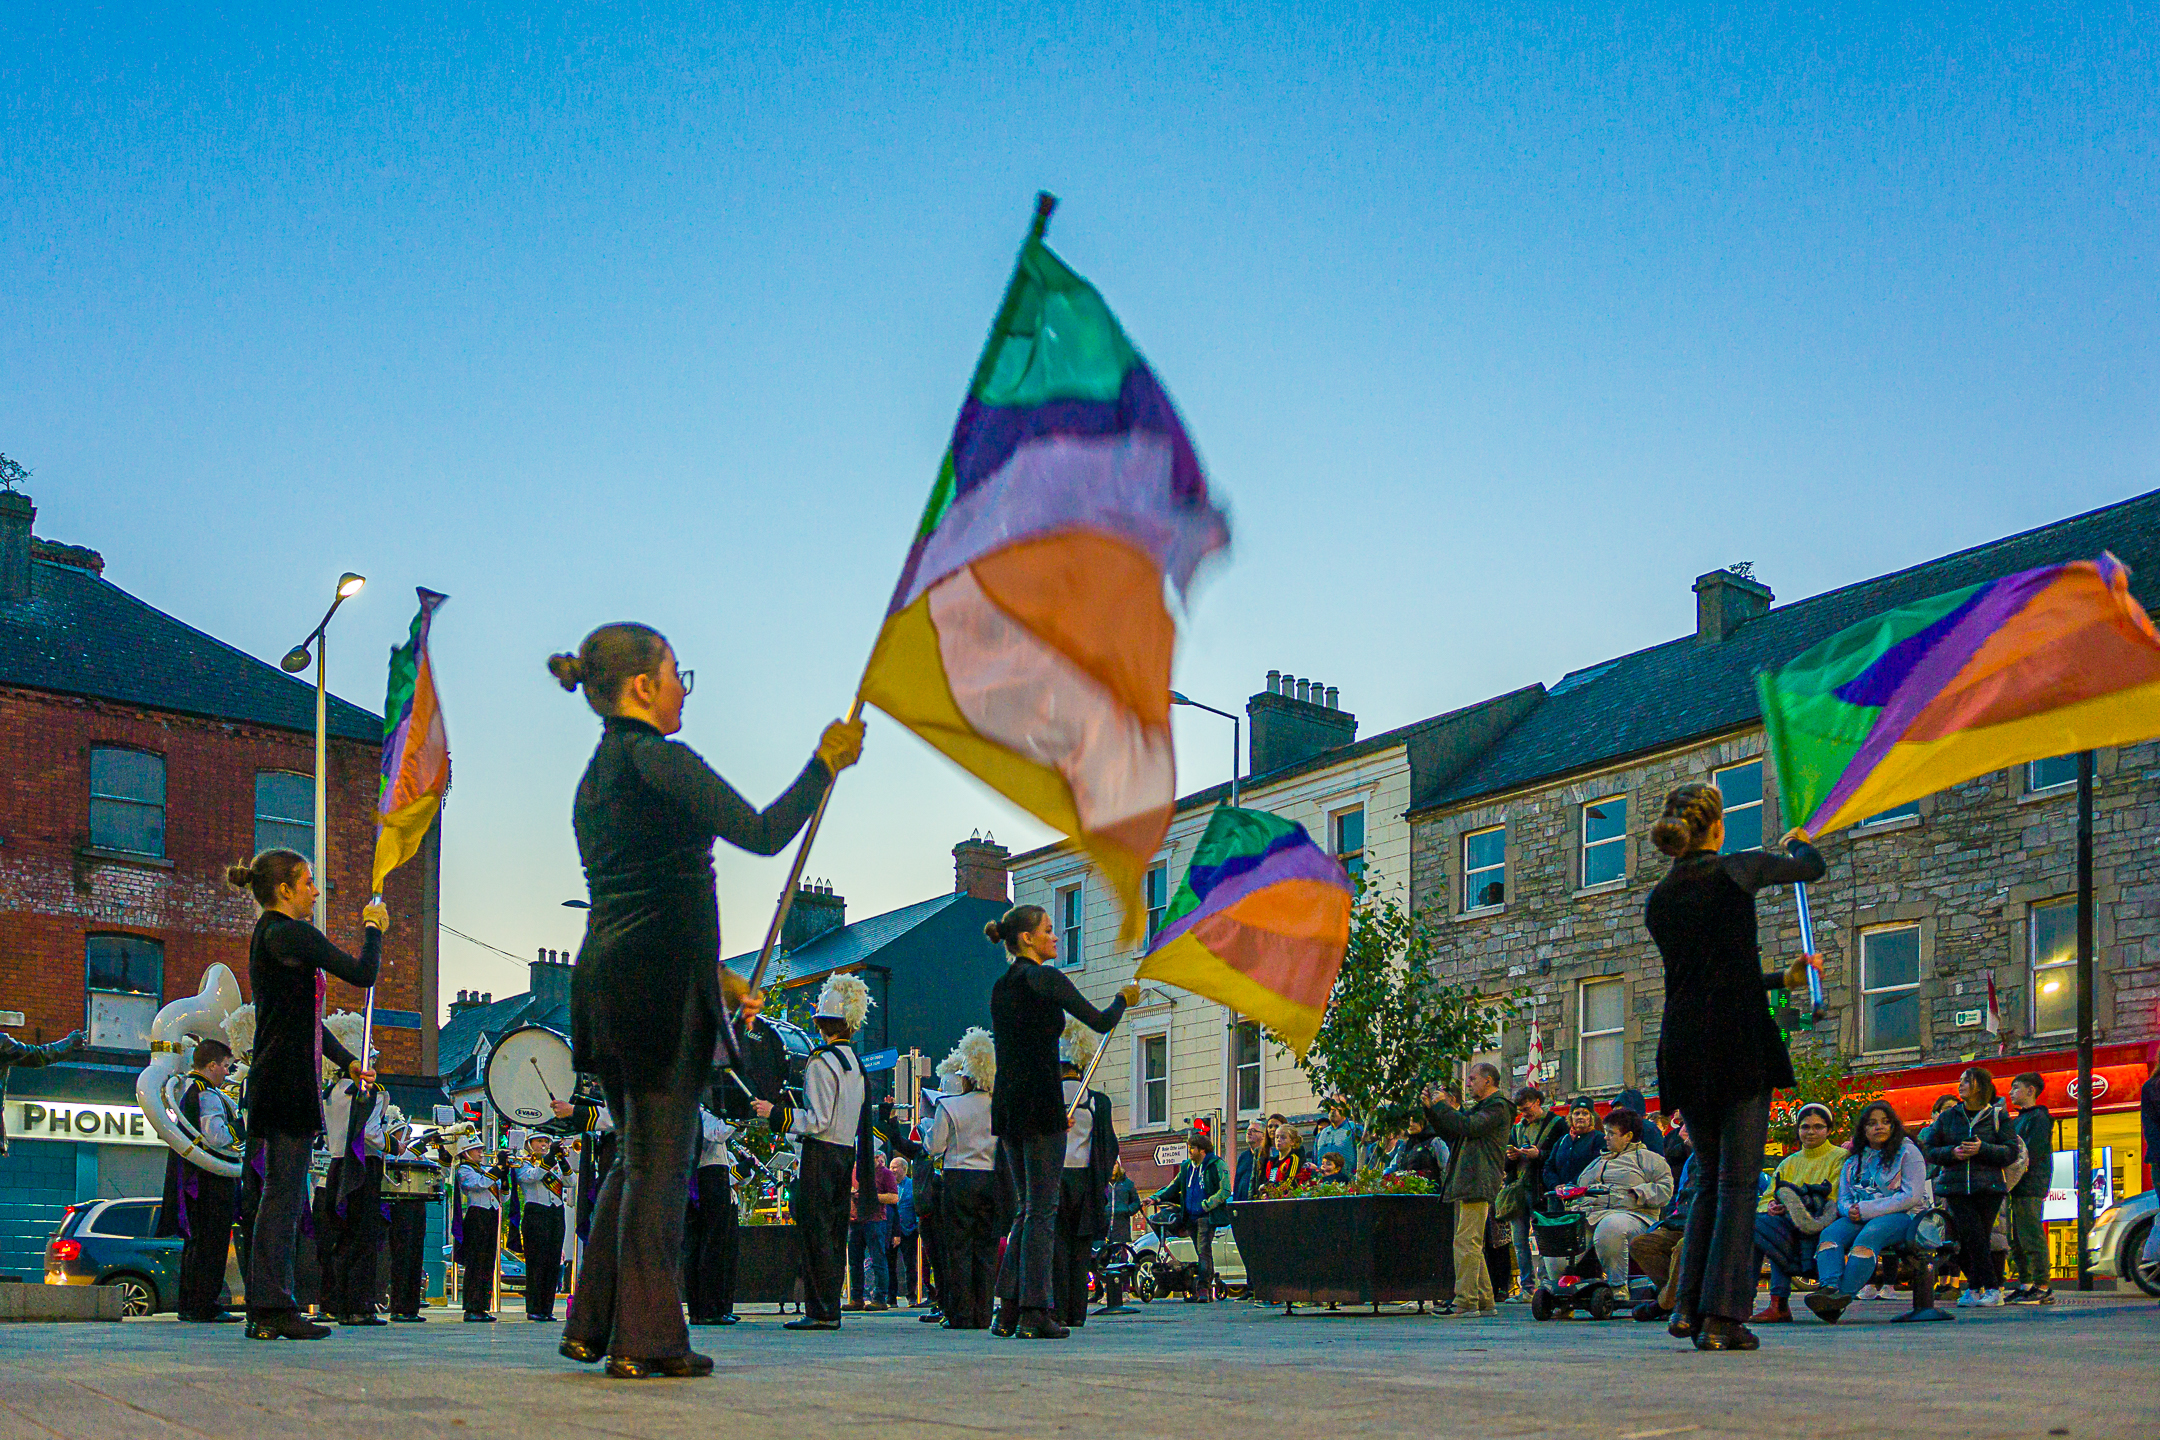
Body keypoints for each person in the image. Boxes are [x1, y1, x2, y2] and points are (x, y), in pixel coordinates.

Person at [551, 623, 861, 1377]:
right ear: (643, 686)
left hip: (610, 977)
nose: (683, 691)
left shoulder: (596, 777)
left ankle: (593, 1322)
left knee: (637, 1156)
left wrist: (716, 976)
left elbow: (648, 892)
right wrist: (824, 764)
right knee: (663, 1162)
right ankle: (646, 1338)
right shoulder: (659, 758)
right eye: (676, 675)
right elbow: (762, 831)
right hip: (657, 989)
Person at [1643, 782, 1823, 1351]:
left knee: (1709, 1181)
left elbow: (1708, 976)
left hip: (1684, 1042)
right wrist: (1800, 837)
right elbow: (1810, 868)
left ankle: (1687, 1306)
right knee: (1740, 1184)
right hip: (1736, 1040)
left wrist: (1780, 979)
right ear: (1717, 827)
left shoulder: (1660, 897)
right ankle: (1723, 1317)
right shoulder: (1737, 869)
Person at [228, 849, 384, 1342]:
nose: (316, 891)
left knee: (280, 1195)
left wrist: (348, 1061)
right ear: (285, 890)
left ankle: (268, 1306)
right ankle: (272, 1307)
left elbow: (304, 1019)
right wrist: (374, 929)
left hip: (278, 1076)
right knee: (283, 1197)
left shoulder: (270, 934)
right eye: (308, 882)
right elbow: (363, 974)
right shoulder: (291, 932)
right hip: (287, 1081)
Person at [982, 903, 1136, 1341]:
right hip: (1040, 1104)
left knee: (1026, 1209)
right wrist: (1124, 999)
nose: (1054, 937)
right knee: (1042, 1211)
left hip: (1008, 1106)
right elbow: (1100, 1021)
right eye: (1048, 930)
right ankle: (1034, 1311)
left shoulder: (1001, 986)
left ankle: (1007, 1310)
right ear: (1027, 938)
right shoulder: (1045, 978)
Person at [756, 973, 877, 1331]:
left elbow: (817, 1120)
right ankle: (830, 1308)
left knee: (816, 1234)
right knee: (835, 1235)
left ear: (822, 1023)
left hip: (821, 1155)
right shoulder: (855, 1063)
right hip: (845, 1154)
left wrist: (775, 1113)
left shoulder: (822, 1061)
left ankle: (820, 1310)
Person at [1804, 1101, 1930, 1322]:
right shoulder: (1853, 1160)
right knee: (1830, 1234)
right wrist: (1849, 1210)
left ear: (1893, 1126)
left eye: (1885, 1122)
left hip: (1906, 1216)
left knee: (1870, 1234)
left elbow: (1911, 1196)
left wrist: (1864, 1209)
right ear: (1863, 1129)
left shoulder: (1908, 1152)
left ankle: (1843, 1296)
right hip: (1860, 1216)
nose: (1878, 1127)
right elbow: (1844, 1197)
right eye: (1872, 1123)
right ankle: (1829, 1289)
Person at [155, 1037, 243, 1323]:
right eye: (226, 1066)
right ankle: (205, 1304)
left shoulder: (186, 1087)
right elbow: (216, 1136)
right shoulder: (206, 1093)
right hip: (211, 1179)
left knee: (197, 1244)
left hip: (196, 1178)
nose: (227, 1073)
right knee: (212, 1243)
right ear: (212, 1065)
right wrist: (241, 1126)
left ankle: (191, 1304)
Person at [1423, 1062, 1513, 1319]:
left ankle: (1465, 1301)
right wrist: (1432, 1110)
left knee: (1466, 1242)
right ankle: (1484, 1299)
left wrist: (1443, 1106)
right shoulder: (1482, 1108)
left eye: (1473, 1078)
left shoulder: (1498, 1107)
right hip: (1468, 1181)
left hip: (1478, 1180)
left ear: (1488, 1081)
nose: (1468, 1083)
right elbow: (1453, 1133)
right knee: (1470, 1242)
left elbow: (1468, 1127)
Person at [1922, 1065, 2016, 1307]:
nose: (1960, 1085)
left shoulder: (1997, 1116)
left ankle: (1979, 1288)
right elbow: (1929, 1148)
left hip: (1988, 1187)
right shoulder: (1948, 1117)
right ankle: (1988, 1287)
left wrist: (1982, 1149)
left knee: (1979, 1237)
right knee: (1971, 1236)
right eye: (1961, 1080)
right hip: (1956, 1187)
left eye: (1966, 1081)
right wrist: (1952, 1153)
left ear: (1980, 1086)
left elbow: (2010, 1152)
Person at [1564, 1108, 1673, 1303]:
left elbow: (1666, 1189)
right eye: (1605, 1132)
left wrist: (1639, 1192)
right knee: (1561, 1234)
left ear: (1628, 1136)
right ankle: (1559, 1290)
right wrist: (1571, 1193)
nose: (1605, 1137)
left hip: (1635, 1216)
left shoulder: (1650, 1159)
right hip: (1592, 1215)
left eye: (1611, 1133)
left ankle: (1618, 1287)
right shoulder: (1598, 1161)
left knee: (1610, 1227)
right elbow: (1580, 1185)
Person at [927, 1029, 999, 1329]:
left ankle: (961, 1313)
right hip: (991, 1179)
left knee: (958, 1248)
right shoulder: (999, 1105)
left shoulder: (949, 1105)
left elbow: (934, 1146)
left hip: (958, 1178)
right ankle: (984, 1312)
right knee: (986, 1249)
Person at [1748, 1102, 1844, 1324]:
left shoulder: (1840, 1157)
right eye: (1805, 1127)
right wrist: (1771, 1206)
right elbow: (1768, 1197)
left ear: (1829, 1130)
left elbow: (1833, 1198)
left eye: (1818, 1127)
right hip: (1786, 1221)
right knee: (1760, 1228)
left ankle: (1775, 1303)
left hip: (1822, 1222)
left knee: (1766, 1233)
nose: (1811, 1132)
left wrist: (1793, 1206)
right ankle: (1755, 1301)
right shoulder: (1788, 1162)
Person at [1056, 1027, 1119, 1328]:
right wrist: (1100, 1181)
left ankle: (1057, 1310)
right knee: (1081, 1251)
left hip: (1055, 1178)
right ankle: (1077, 1311)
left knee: (1057, 1248)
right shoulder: (1098, 1102)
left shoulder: (1048, 1098)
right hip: (1085, 1180)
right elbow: (1109, 1147)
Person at [318, 1064, 389, 1326]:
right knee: (364, 1237)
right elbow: (369, 1132)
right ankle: (361, 1307)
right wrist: (394, 1145)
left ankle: (343, 1306)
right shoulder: (370, 1090)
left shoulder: (330, 1091)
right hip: (362, 1163)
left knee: (344, 1238)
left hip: (337, 1163)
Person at [1148, 1131, 1231, 1302]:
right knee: (1202, 1252)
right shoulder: (1186, 1167)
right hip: (1190, 1215)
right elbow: (1174, 1186)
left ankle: (1203, 1289)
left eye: (1192, 1148)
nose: (1189, 1151)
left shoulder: (1216, 1164)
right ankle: (1204, 1287)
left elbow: (1225, 1190)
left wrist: (1207, 1204)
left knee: (1203, 1250)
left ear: (1202, 1150)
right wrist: (1155, 1198)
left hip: (1206, 1215)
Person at [1503, 1087, 1567, 1303]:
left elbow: (1560, 1157)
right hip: (1519, 1190)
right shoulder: (1517, 1128)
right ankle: (1527, 1288)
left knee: (1545, 1239)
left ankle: (1545, 1285)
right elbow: (1506, 1164)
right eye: (1521, 1110)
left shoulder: (1557, 1125)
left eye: (1527, 1109)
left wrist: (1539, 1155)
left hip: (1542, 1190)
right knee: (1519, 1241)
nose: (1524, 1114)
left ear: (1538, 1102)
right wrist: (1511, 1157)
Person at [1629, 1117, 1694, 1321]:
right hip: (1681, 1222)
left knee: (1683, 1247)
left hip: (1706, 1226)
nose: (1683, 1131)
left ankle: (1665, 1303)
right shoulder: (1692, 1161)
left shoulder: (1720, 1160)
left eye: (1688, 1127)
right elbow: (1679, 1195)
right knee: (1641, 1244)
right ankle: (1681, 1299)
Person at [2005, 1072, 2055, 1305]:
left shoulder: (2039, 1118)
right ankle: (2026, 1284)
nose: (2011, 1092)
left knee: (2031, 1234)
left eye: (2016, 1087)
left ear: (2030, 1090)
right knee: (2016, 1237)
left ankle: (2042, 1285)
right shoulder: (2019, 1119)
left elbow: (2031, 1152)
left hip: (2030, 1184)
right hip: (2016, 1184)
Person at [515, 1131, 571, 1323]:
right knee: (536, 1263)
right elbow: (532, 1177)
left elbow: (571, 1182)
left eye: (546, 1141)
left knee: (553, 1263)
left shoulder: (554, 1163)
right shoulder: (523, 1163)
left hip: (556, 1213)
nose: (544, 1145)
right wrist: (550, 1158)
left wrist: (562, 1161)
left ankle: (547, 1308)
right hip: (536, 1212)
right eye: (539, 1141)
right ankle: (534, 1308)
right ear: (529, 1144)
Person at [383, 1122, 431, 1322]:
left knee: (415, 1256)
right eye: (404, 1133)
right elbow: (396, 1161)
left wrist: (443, 1156)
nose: (408, 1137)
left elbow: (436, 1171)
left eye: (410, 1133)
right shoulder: (390, 1153)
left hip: (418, 1202)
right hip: (400, 1204)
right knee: (402, 1256)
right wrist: (422, 1144)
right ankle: (399, 1307)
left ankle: (412, 1307)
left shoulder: (416, 1154)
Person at [453, 1137, 501, 1322]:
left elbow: (503, 1197)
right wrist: (498, 1168)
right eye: (476, 1149)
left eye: (481, 1149)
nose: (481, 1152)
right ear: (466, 1152)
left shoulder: (485, 1170)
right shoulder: (464, 1170)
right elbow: (478, 1184)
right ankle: (471, 1307)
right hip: (476, 1215)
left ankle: (482, 1306)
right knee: (475, 1262)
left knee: (487, 1262)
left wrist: (504, 1179)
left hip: (491, 1215)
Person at [847, 1143, 899, 1312]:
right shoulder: (852, 1171)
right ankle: (856, 1298)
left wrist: (871, 1196)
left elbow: (893, 1198)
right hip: (855, 1220)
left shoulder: (885, 1173)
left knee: (878, 1260)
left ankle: (880, 1298)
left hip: (875, 1220)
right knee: (854, 1262)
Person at [1545, 1100, 1605, 1196]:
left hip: (1586, 1196)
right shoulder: (1562, 1140)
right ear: (1571, 1117)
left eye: (1585, 1114)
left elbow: (1596, 1167)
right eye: (1577, 1113)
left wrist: (1571, 1186)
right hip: (1559, 1197)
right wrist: (1555, 1185)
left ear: (1591, 1117)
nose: (1580, 1117)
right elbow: (1549, 1166)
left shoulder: (1599, 1139)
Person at [1263, 1123, 1315, 1194]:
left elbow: (1290, 1181)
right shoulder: (1272, 1161)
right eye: (1277, 1137)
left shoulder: (1293, 1159)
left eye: (1283, 1137)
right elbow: (1267, 1180)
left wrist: (1273, 1189)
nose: (1279, 1140)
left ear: (1292, 1142)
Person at [1315, 1100, 1363, 1178]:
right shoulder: (1321, 1134)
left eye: (1338, 1106)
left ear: (1347, 1109)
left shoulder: (1355, 1129)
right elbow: (1316, 1160)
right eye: (1331, 1106)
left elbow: (1364, 1158)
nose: (1333, 1109)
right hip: (1324, 1183)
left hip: (1348, 1182)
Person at [1234, 1120, 1272, 1201]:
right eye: (1247, 1131)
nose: (1249, 1133)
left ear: (1263, 1135)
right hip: (1242, 1202)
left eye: (1253, 1130)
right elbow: (1237, 1181)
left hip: (1259, 1201)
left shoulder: (1268, 1155)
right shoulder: (1243, 1156)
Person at [1107, 1161, 1141, 1242]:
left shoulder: (1127, 1183)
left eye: (1114, 1163)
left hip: (1121, 1228)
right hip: (1102, 1228)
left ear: (1118, 1165)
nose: (1112, 1166)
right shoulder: (1100, 1183)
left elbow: (1136, 1202)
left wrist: (1127, 1210)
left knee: (1119, 1249)